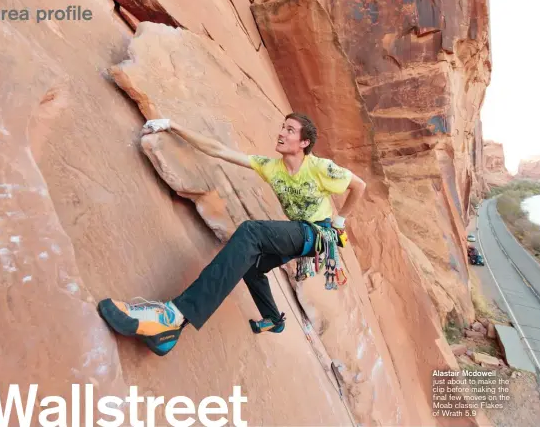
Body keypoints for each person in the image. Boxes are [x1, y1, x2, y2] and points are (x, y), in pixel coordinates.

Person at [97, 113, 367, 356]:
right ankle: (273, 319)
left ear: (304, 142)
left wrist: (339, 221)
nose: (281, 133)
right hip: (300, 234)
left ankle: (173, 317)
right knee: (251, 265)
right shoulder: (271, 167)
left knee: (252, 232)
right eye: (282, 128)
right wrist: (172, 125)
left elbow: (359, 186)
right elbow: (218, 150)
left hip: (318, 234)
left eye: (290, 130)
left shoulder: (320, 168)